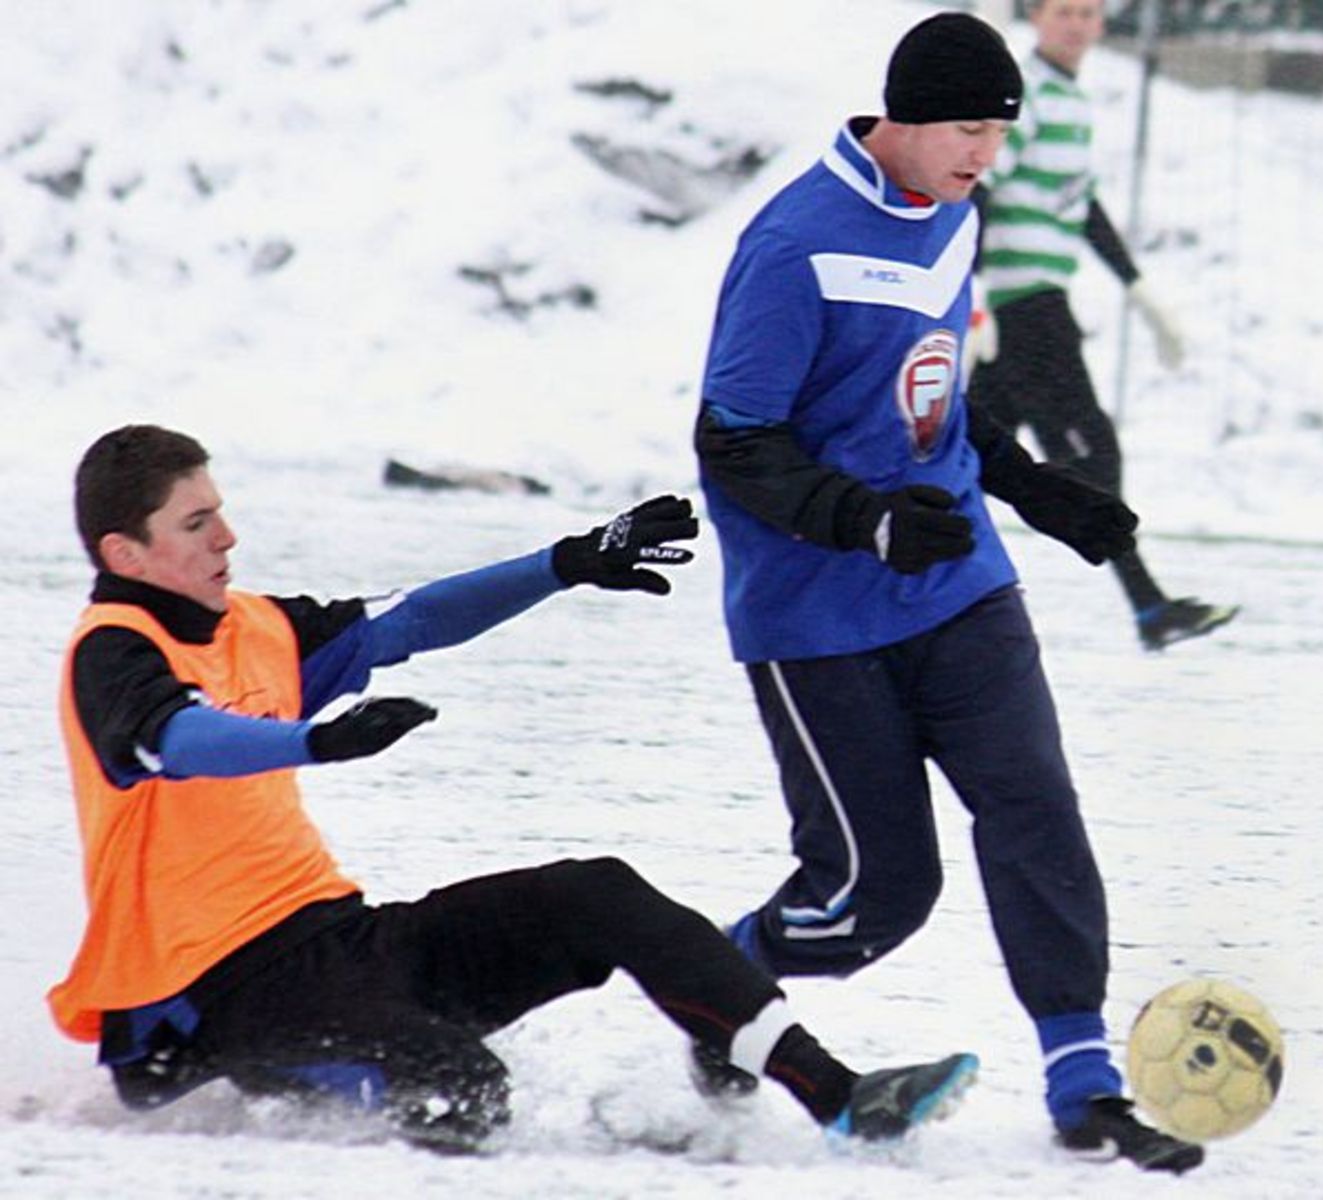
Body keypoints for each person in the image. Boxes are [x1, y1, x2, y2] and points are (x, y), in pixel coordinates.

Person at [50, 423, 978, 1152]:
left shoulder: (255, 624)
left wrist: (566, 561)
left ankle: (838, 1098)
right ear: (125, 554)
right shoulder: (112, 654)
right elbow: (179, 739)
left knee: (596, 892)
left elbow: (412, 616)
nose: (228, 535)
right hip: (212, 1005)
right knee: (465, 1087)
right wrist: (314, 741)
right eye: (195, 523)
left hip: (342, 939)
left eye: (220, 509)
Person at [691, 11, 1202, 1175]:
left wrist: (1033, 488)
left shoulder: (954, 217)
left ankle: (1083, 1079)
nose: (987, 154)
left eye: (1000, 133)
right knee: (877, 897)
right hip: (814, 611)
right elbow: (732, 438)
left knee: (1035, 808)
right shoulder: (795, 245)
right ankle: (714, 979)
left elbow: (931, 398)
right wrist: (861, 518)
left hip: (958, 581)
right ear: (905, 117)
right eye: (970, 128)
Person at [969, 0, 1236, 652]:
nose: (1076, 24)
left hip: (1032, 301)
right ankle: (1143, 603)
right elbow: (978, 185)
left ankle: (1144, 605)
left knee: (966, 452)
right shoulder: (1027, 92)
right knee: (1090, 452)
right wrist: (970, 292)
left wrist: (1139, 289)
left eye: (1088, 13)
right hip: (1021, 304)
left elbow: (1080, 205)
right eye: (1064, 11)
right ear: (1036, 16)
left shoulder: (1071, 99)